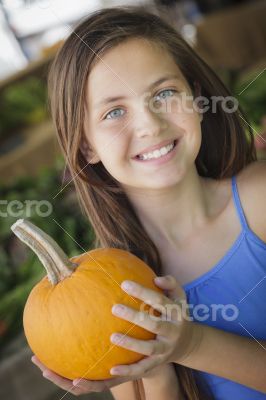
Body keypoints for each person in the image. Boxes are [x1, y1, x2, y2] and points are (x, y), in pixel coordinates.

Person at [31, 6, 266, 400]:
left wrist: (191, 345)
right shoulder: (111, 294)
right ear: (86, 144)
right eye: (115, 111)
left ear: (195, 96)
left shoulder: (259, 201)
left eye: (164, 93)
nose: (150, 125)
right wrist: (153, 367)